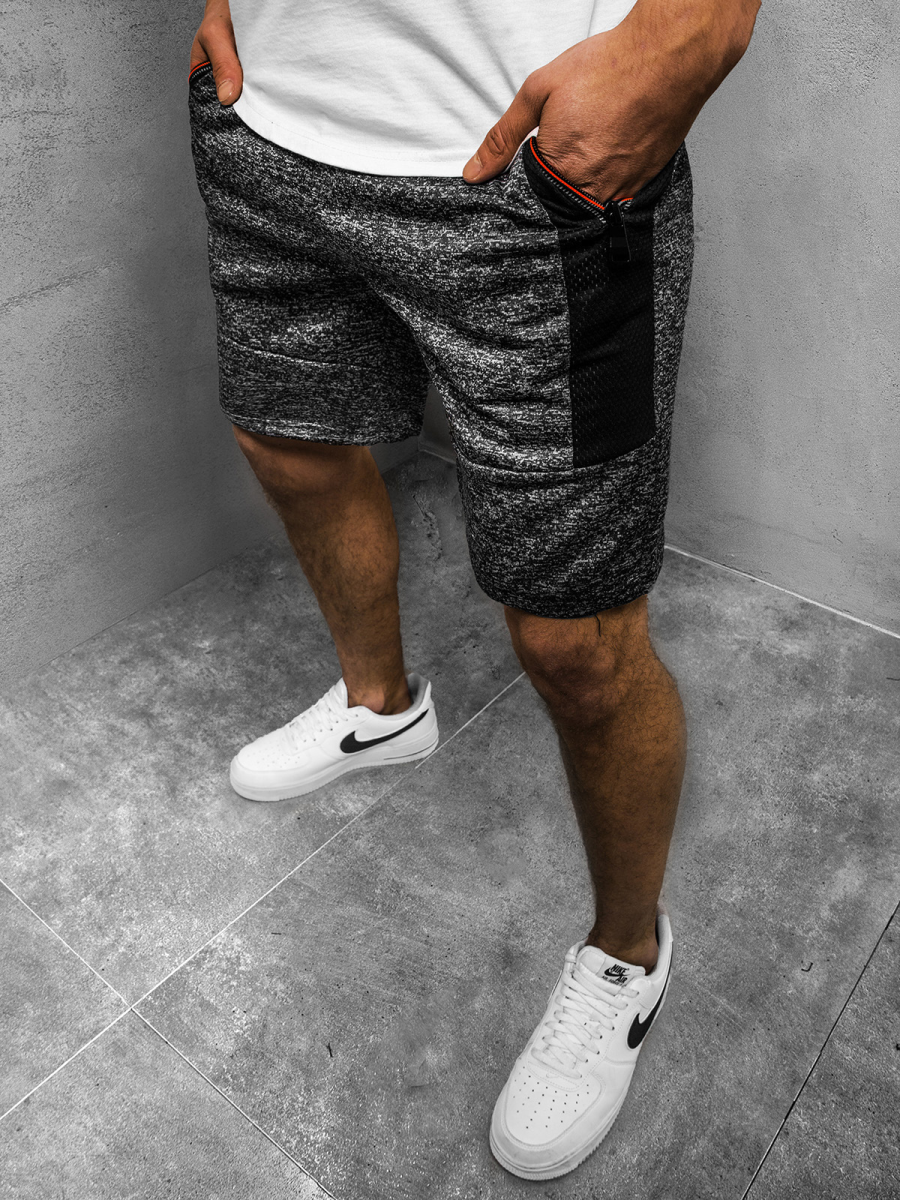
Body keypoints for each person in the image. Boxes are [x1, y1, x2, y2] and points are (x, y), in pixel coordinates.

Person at [188, 0, 759, 1180]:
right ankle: (380, 708)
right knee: (289, 445)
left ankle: (626, 956)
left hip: (530, 180)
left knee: (576, 638)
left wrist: (702, 27)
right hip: (267, 131)